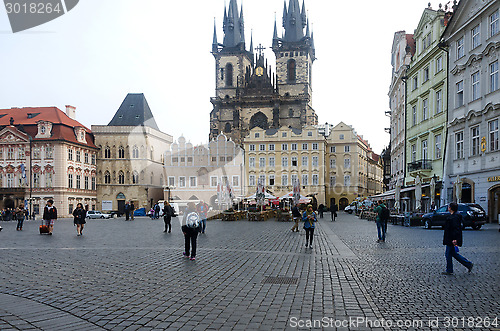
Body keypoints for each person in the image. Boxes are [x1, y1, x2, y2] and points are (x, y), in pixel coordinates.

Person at [442, 202, 473, 275]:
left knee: (448, 254)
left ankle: (449, 269)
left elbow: (455, 229)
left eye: (449, 207)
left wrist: (454, 239)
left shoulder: (454, 217)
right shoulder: (454, 216)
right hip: (450, 237)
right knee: (453, 254)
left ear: (450, 208)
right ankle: (468, 264)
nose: (448, 208)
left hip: (451, 238)